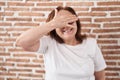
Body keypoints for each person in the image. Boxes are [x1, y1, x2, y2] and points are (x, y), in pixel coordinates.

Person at [16, 6, 107, 80]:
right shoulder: (49, 43)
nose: (66, 26)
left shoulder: (91, 43)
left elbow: (100, 75)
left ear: (76, 23)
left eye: (69, 21)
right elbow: (21, 42)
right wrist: (53, 24)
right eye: (60, 23)